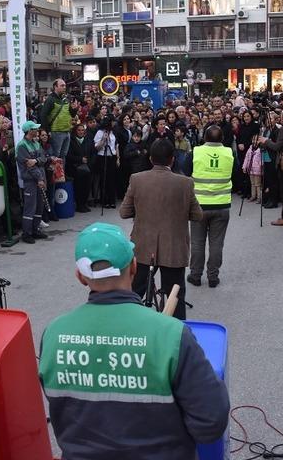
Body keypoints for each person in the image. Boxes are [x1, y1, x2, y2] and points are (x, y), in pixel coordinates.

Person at [38, 222, 229, 459]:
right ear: (134, 267)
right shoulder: (171, 334)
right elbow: (211, 422)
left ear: (80, 276)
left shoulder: (54, 334)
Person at [121, 139, 203, 320]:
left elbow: (124, 212)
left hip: (142, 247)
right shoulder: (185, 183)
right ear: (172, 159)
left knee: (133, 292)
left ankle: (126, 327)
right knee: (175, 296)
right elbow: (197, 215)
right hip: (173, 248)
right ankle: (177, 336)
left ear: (150, 158)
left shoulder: (137, 179)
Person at [188, 126, 233, 289]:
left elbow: (186, 172)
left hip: (199, 205)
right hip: (221, 205)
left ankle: (195, 276)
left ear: (204, 137)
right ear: (222, 138)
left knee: (197, 243)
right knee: (216, 243)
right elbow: (234, 172)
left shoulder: (196, 152)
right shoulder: (229, 153)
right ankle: (213, 277)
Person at [16, 121, 49, 244]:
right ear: (29, 131)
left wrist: (35, 160)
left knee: (39, 206)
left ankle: (35, 230)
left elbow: (43, 158)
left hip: (40, 179)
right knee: (30, 208)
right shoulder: (22, 146)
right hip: (31, 181)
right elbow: (29, 166)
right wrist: (39, 178)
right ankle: (27, 233)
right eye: (35, 129)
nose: (37, 130)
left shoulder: (36, 143)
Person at [40, 79, 73, 160]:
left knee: (63, 155)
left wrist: (74, 109)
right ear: (55, 87)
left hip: (67, 131)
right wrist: (48, 131)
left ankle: (61, 173)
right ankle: (55, 173)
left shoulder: (65, 99)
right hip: (56, 132)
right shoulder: (50, 99)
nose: (64, 87)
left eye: (65, 85)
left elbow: (71, 114)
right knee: (56, 156)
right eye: (62, 85)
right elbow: (43, 116)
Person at [65, 123, 92, 213]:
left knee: (86, 187)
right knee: (79, 187)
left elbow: (92, 153)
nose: (81, 132)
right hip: (76, 168)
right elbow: (68, 156)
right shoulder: (71, 141)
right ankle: (79, 205)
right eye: (79, 130)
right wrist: (80, 159)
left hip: (87, 168)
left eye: (82, 130)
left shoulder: (88, 140)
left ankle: (84, 203)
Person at [94, 116, 119, 209]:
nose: (114, 124)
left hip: (111, 156)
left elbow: (116, 145)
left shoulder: (113, 132)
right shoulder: (100, 132)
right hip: (102, 157)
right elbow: (97, 147)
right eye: (112, 122)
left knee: (111, 179)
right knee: (104, 179)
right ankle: (104, 200)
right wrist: (103, 140)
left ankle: (112, 200)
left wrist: (118, 158)